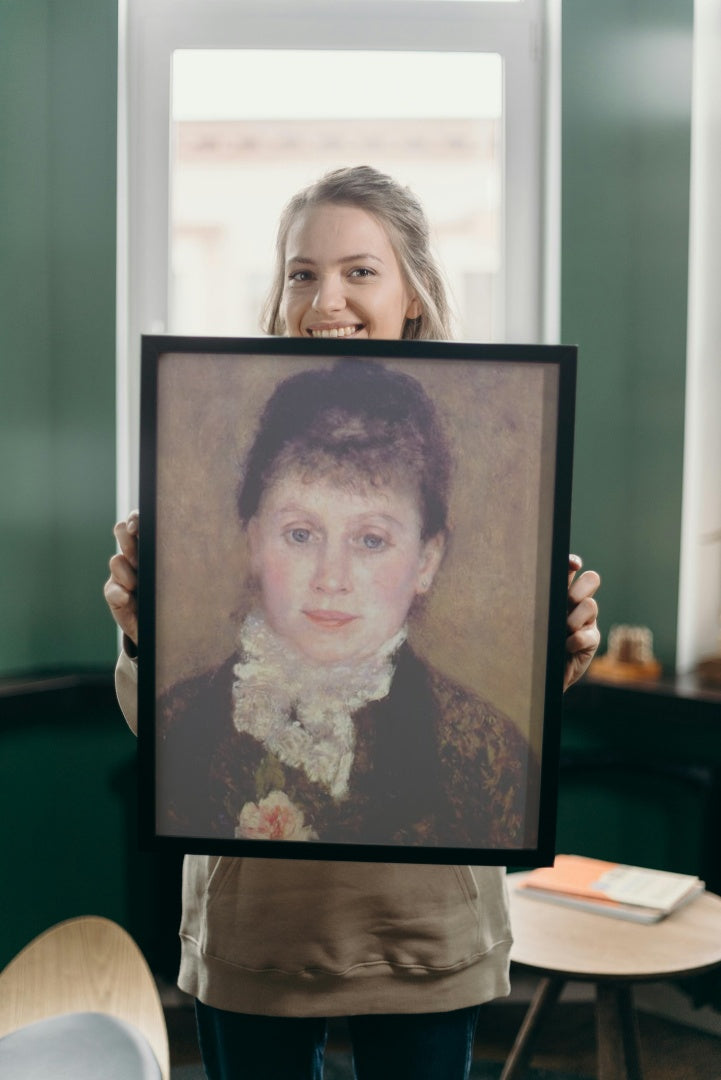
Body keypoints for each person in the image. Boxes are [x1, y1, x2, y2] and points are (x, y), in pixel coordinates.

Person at [105, 165, 601, 1080]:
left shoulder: (479, 740)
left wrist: (555, 655)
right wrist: (143, 632)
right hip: (257, 933)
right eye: (301, 272)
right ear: (251, 535)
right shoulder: (193, 702)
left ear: (427, 559)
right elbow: (161, 741)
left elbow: (523, 751)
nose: (325, 297)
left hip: (421, 933)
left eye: (359, 271)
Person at [155, 358, 537, 850]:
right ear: (254, 541)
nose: (330, 579)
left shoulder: (488, 754)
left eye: (371, 540)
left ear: (427, 559)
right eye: (300, 534)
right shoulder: (179, 723)